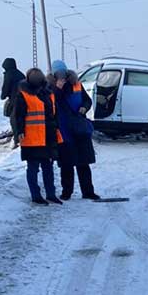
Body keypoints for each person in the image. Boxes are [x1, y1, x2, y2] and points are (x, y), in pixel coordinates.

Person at [12, 68, 63, 205]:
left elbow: (53, 114)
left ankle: (51, 194)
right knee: (33, 168)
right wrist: (19, 132)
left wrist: (56, 130)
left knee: (48, 167)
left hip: (48, 136)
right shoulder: (23, 94)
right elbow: (18, 116)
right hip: (31, 138)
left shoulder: (48, 93)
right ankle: (36, 195)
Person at [51, 60, 100, 200]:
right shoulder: (51, 87)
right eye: (58, 73)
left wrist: (84, 107)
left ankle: (88, 191)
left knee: (83, 162)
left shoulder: (76, 83)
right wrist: (58, 88)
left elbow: (87, 100)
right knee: (66, 164)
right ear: (54, 74)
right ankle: (67, 192)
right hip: (63, 129)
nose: (62, 75)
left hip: (79, 128)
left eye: (63, 72)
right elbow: (52, 103)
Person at [1, 58, 26, 148]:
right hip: (25, 99)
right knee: (21, 119)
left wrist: (3, 96)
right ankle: (22, 135)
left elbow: (6, 87)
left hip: (15, 100)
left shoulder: (9, 74)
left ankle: (17, 140)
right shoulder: (20, 74)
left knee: (14, 119)